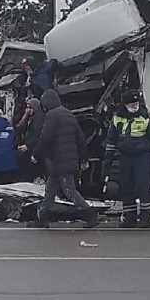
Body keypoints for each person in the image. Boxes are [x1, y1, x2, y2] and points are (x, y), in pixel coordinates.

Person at [31, 89, 98, 228]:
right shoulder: (68, 114)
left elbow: (46, 137)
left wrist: (36, 154)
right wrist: (83, 158)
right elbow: (80, 138)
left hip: (60, 160)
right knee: (49, 191)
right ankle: (42, 218)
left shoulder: (52, 115)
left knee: (69, 190)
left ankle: (90, 214)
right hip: (67, 160)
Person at [103, 90, 150, 229]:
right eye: (131, 103)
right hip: (125, 156)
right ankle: (130, 218)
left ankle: (146, 219)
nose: (134, 106)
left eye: (136, 103)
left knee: (143, 187)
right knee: (127, 186)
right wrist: (108, 159)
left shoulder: (146, 117)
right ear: (125, 104)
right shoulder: (117, 118)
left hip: (142, 156)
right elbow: (111, 139)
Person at [16, 97, 44, 182]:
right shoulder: (33, 118)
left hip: (33, 149)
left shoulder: (38, 119)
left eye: (30, 108)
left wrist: (28, 146)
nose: (28, 110)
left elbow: (37, 135)